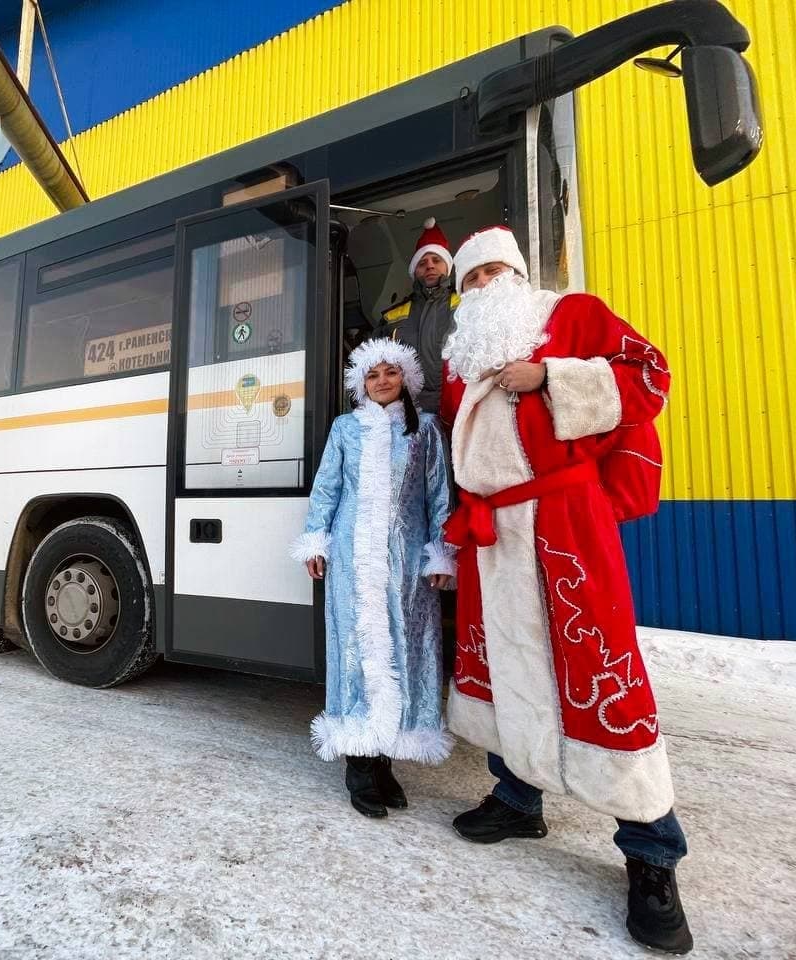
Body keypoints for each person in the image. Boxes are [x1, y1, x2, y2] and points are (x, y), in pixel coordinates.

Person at [437, 226, 693, 955]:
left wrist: (552, 377)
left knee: (599, 669)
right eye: (471, 278)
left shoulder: (573, 316)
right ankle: (518, 798)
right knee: (507, 667)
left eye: (494, 270)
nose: (484, 285)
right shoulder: (462, 359)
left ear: (518, 273)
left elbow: (650, 376)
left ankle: (652, 852)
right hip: (495, 533)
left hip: (564, 520)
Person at [290, 340, 456, 818]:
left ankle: (385, 759)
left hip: (405, 562)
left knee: (405, 650)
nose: (382, 381)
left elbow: (438, 495)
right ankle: (359, 765)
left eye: (391, 373)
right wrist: (315, 540)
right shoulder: (345, 428)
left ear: (406, 378)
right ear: (361, 384)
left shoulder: (424, 430)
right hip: (351, 557)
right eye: (372, 375)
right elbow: (327, 486)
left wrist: (441, 555)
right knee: (357, 650)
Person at [376, 216, 459, 413]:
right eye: (422, 262)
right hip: (407, 414)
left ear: (447, 266)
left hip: (458, 408)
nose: (430, 265)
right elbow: (371, 370)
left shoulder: (468, 305)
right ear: (415, 270)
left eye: (436, 260)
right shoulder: (391, 318)